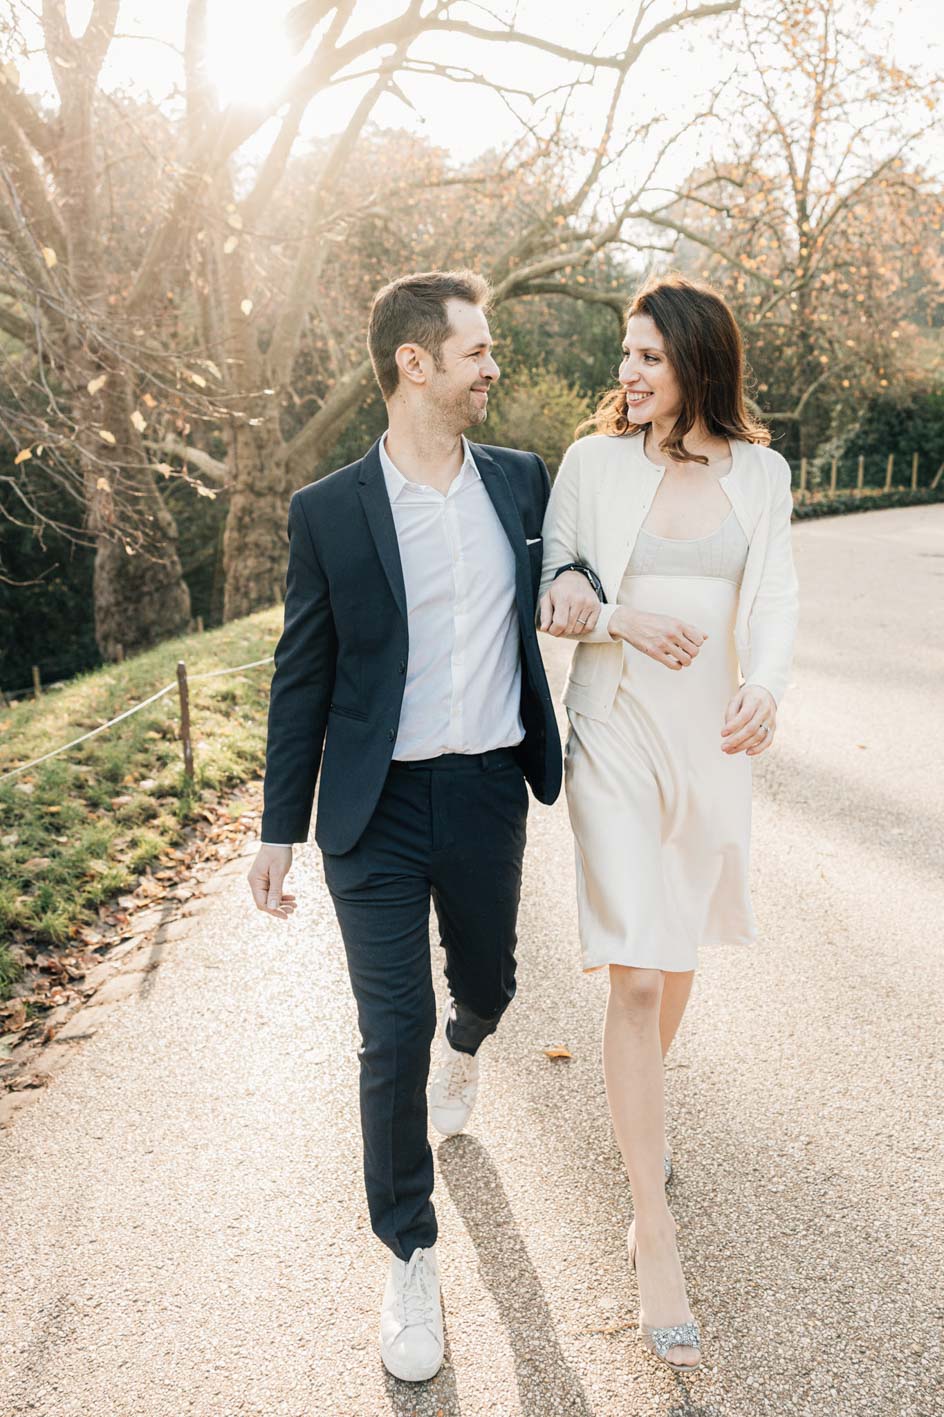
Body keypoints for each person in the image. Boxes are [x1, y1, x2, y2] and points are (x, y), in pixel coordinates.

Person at [247, 270, 598, 1384]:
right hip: (375, 808)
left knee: (487, 983)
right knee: (388, 1031)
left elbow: (577, 563)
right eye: (477, 350)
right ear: (415, 363)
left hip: (489, 786)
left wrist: (581, 582)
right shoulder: (327, 511)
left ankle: (467, 1044)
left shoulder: (521, 480)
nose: (493, 366)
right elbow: (300, 675)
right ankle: (408, 1250)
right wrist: (276, 828)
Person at [538, 272, 799, 1371]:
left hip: (711, 746)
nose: (627, 372)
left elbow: (773, 596)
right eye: (625, 353)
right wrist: (619, 617)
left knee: (675, 956)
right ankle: (653, 1224)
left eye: (648, 355)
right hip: (613, 734)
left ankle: (638, 1131)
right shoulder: (591, 465)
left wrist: (765, 686)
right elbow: (553, 592)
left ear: (696, 361)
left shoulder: (763, 474)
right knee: (635, 975)